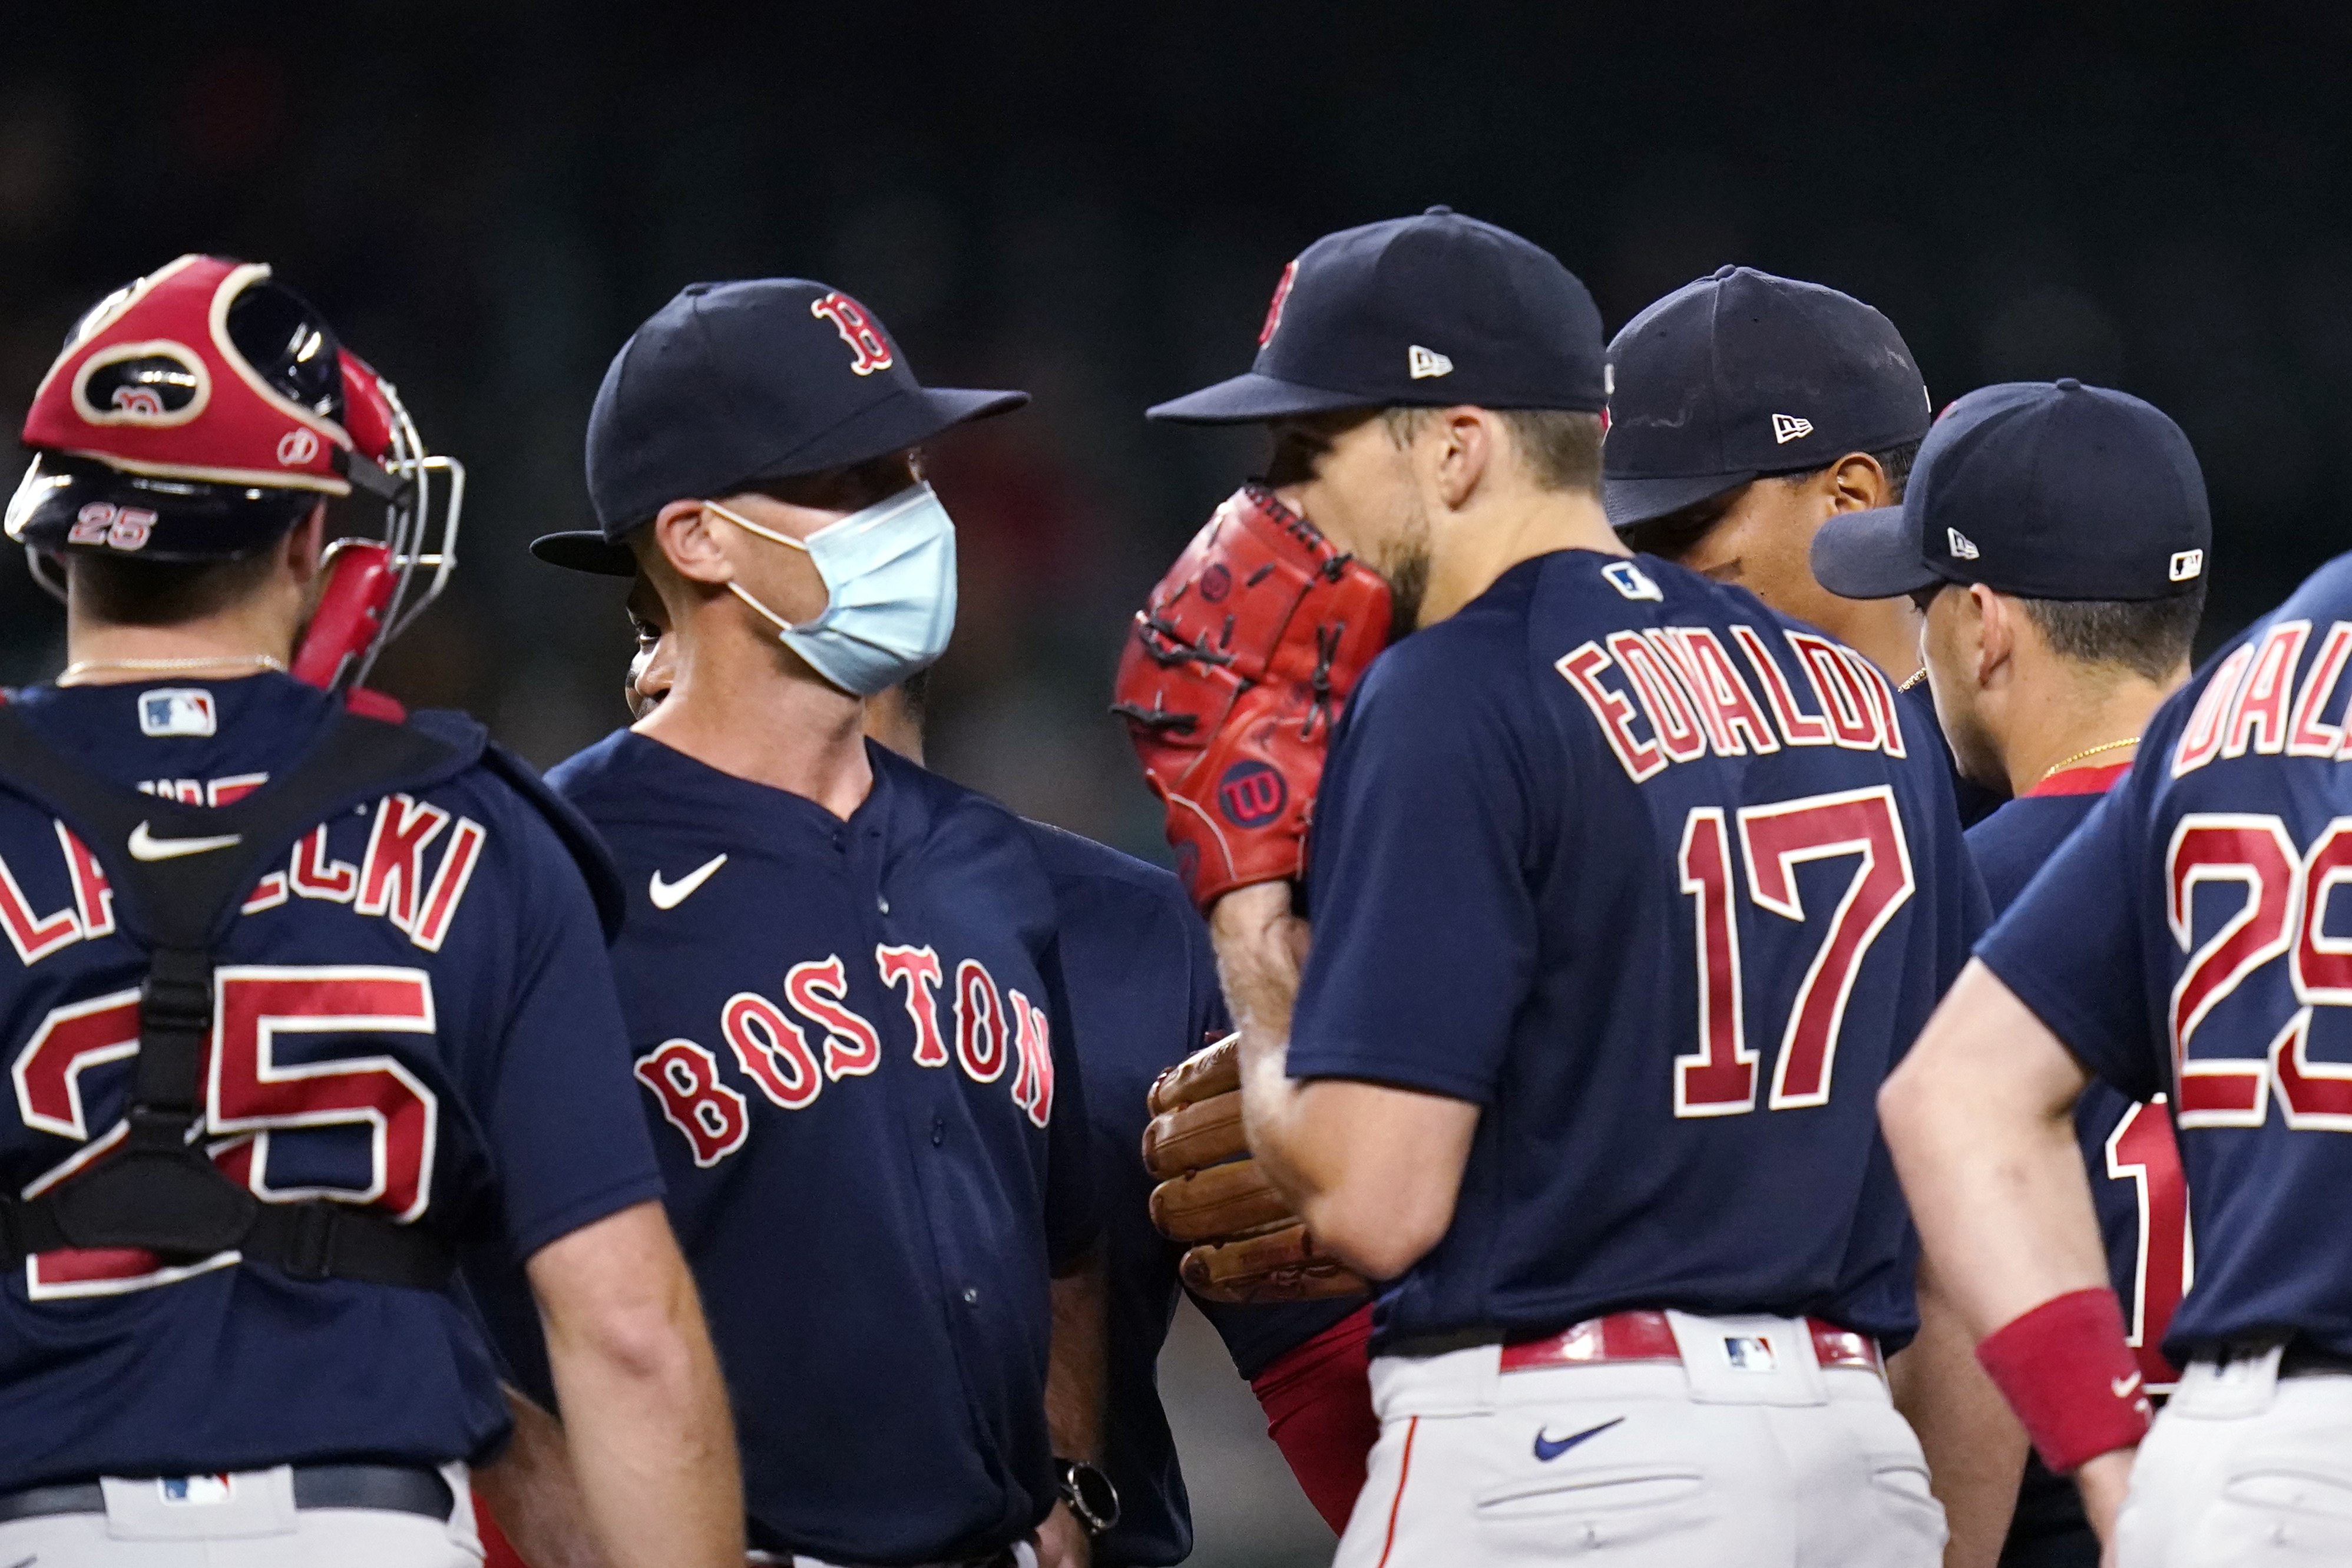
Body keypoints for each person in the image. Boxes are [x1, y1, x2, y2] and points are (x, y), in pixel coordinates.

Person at [1143, 208, 1987, 1566]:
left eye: (1312, 451)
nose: (1279, 511)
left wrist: (1249, 927)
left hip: (1567, 1456)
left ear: (1458, 446)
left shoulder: (1451, 693)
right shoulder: (1859, 705)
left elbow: (1373, 1202)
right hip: (1851, 1449)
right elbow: (1952, 1202)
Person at [0, 254, 739, 1568]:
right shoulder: (478, 819)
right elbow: (626, 1329)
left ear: (62, 535)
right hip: (369, 1522)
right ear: (304, 532)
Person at [520, 277, 1101, 1568]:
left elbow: (1065, 1244)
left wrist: (1065, 1460)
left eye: (908, 468)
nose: (914, 514)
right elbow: (447, 1284)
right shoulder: (554, 864)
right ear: (697, 538)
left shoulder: (987, 857)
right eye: (850, 483)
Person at [627, 611, 1371, 1560]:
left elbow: (1334, 1385)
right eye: (644, 622)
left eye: (696, 617)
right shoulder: (580, 922)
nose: (648, 670)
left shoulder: (1133, 936)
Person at [1878, 410, 2351, 1564]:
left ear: (1981, 624)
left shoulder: (2252, 699)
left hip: (2226, 1457)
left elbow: (1957, 1107)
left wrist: (2104, 1456)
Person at [1814, 379, 2206, 1568]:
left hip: (2063, 1509)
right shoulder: (2308, 852)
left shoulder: (1944, 895)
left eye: (1921, 602)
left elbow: (1950, 1310)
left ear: (1983, 625)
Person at [1605, 265, 2005, 826]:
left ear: (1850, 498)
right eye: (1625, 538)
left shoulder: (2000, 774)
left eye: (1688, 524)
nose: (1643, 574)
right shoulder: (1641, 782)